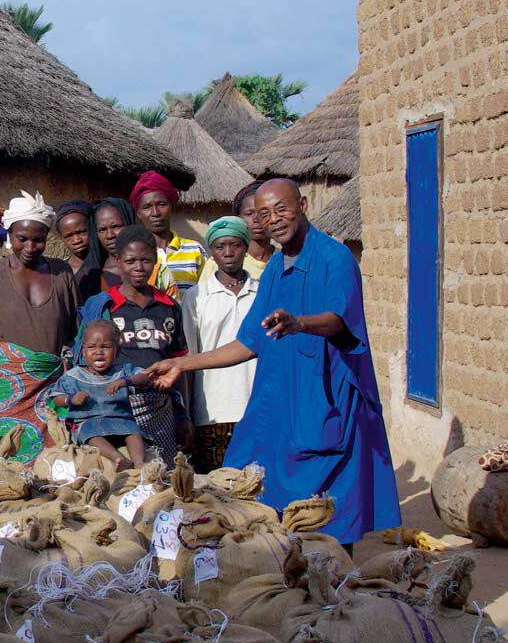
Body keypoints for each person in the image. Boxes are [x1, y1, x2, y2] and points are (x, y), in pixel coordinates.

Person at [147, 179, 400, 546]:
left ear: (303, 203)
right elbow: (249, 341)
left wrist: (301, 323)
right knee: (259, 489)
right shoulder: (277, 267)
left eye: (281, 208)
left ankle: (335, 580)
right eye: (264, 214)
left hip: (323, 401)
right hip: (279, 403)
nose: (274, 219)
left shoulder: (334, 258)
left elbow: (340, 319)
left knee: (328, 509)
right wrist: (183, 365)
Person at [0, 191, 78, 462]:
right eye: (22, 239)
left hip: (52, 389)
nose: (30, 247)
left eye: (38, 240)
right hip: (5, 390)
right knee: (8, 460)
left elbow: (75, 334)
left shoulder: (62, 273)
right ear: (8, 235)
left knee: (55, 465)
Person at [76, 225, 191, 465]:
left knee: (160, 473)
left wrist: (184, 415)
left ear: (156, 260)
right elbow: (85, 360)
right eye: (130, 261)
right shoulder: (104, 306)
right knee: (120, 475)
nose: (139, 268)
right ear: (117, 261)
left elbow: (179, 366)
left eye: (146, 260)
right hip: (115, 407)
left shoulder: (168, 307)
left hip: (160, 407)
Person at [181, 216, 260, 472]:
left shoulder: (263, 292)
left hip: (257, 405)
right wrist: (189, 417)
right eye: (220, 246)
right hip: (212, 410)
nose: (228, 253)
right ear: (211, 252)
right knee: (217, 494)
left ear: (246, 248)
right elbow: (190, 359)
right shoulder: (197, 296)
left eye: (235, 245)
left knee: (258, 488)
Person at [48, 320, 149, 470]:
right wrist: (71, 399)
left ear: (117, 351)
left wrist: (125, 381)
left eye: (105, 347)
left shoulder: (123, 372)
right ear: (83, 351)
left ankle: (139, 462)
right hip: (87, 421)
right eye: (91, 347)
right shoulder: (73, 376)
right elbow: (56, 397)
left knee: (134, 431)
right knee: (89, 432)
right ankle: (118, 458)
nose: (98, 352)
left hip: (120, 419)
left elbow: (145, 377)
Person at [131, 170, 207, 300]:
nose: (155, 213)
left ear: (172, 207)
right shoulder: (135, 255)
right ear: (138, 213)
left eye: (161, 204)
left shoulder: (195, 250)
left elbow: (206, 295)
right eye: (147, 207)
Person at [200, 178, 274, 280]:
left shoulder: (285, 259)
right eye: (249, 213)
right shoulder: (217, 263)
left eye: (263, 212)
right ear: (238, 219)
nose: (256, 219)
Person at [55, 199, 104, 301]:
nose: (76, 240)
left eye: (81, 232)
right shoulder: (63, 271)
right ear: (61, 238)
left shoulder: (108, 264)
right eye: (69, 236)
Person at [92, 197, 135, 289]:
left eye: (116, 227)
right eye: (102, 230)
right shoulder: (93, 277)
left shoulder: (150, 267)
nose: (110, 235)